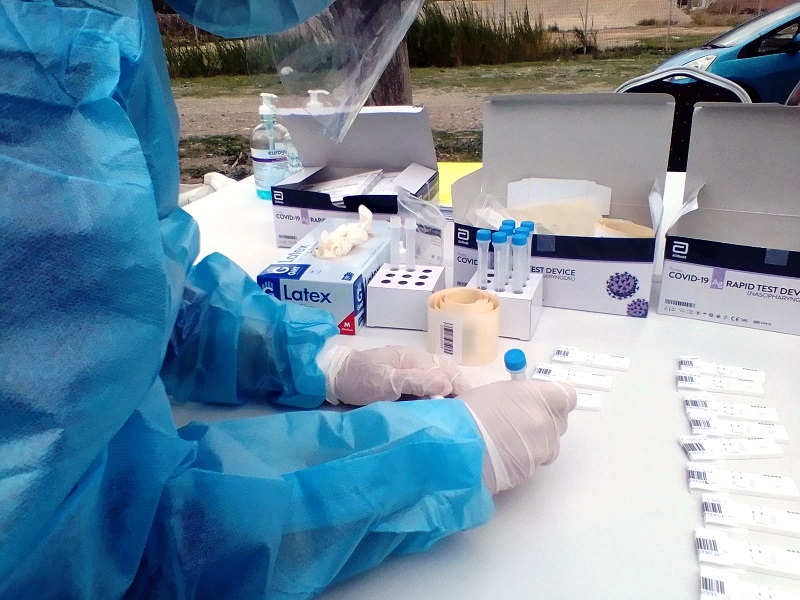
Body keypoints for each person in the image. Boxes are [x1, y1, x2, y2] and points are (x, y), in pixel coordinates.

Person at [0, 1, 576, 598]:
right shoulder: (22, 69)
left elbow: (125, 287)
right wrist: (436, 460)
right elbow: (93, 548)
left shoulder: (89, 25)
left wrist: (313, 359)